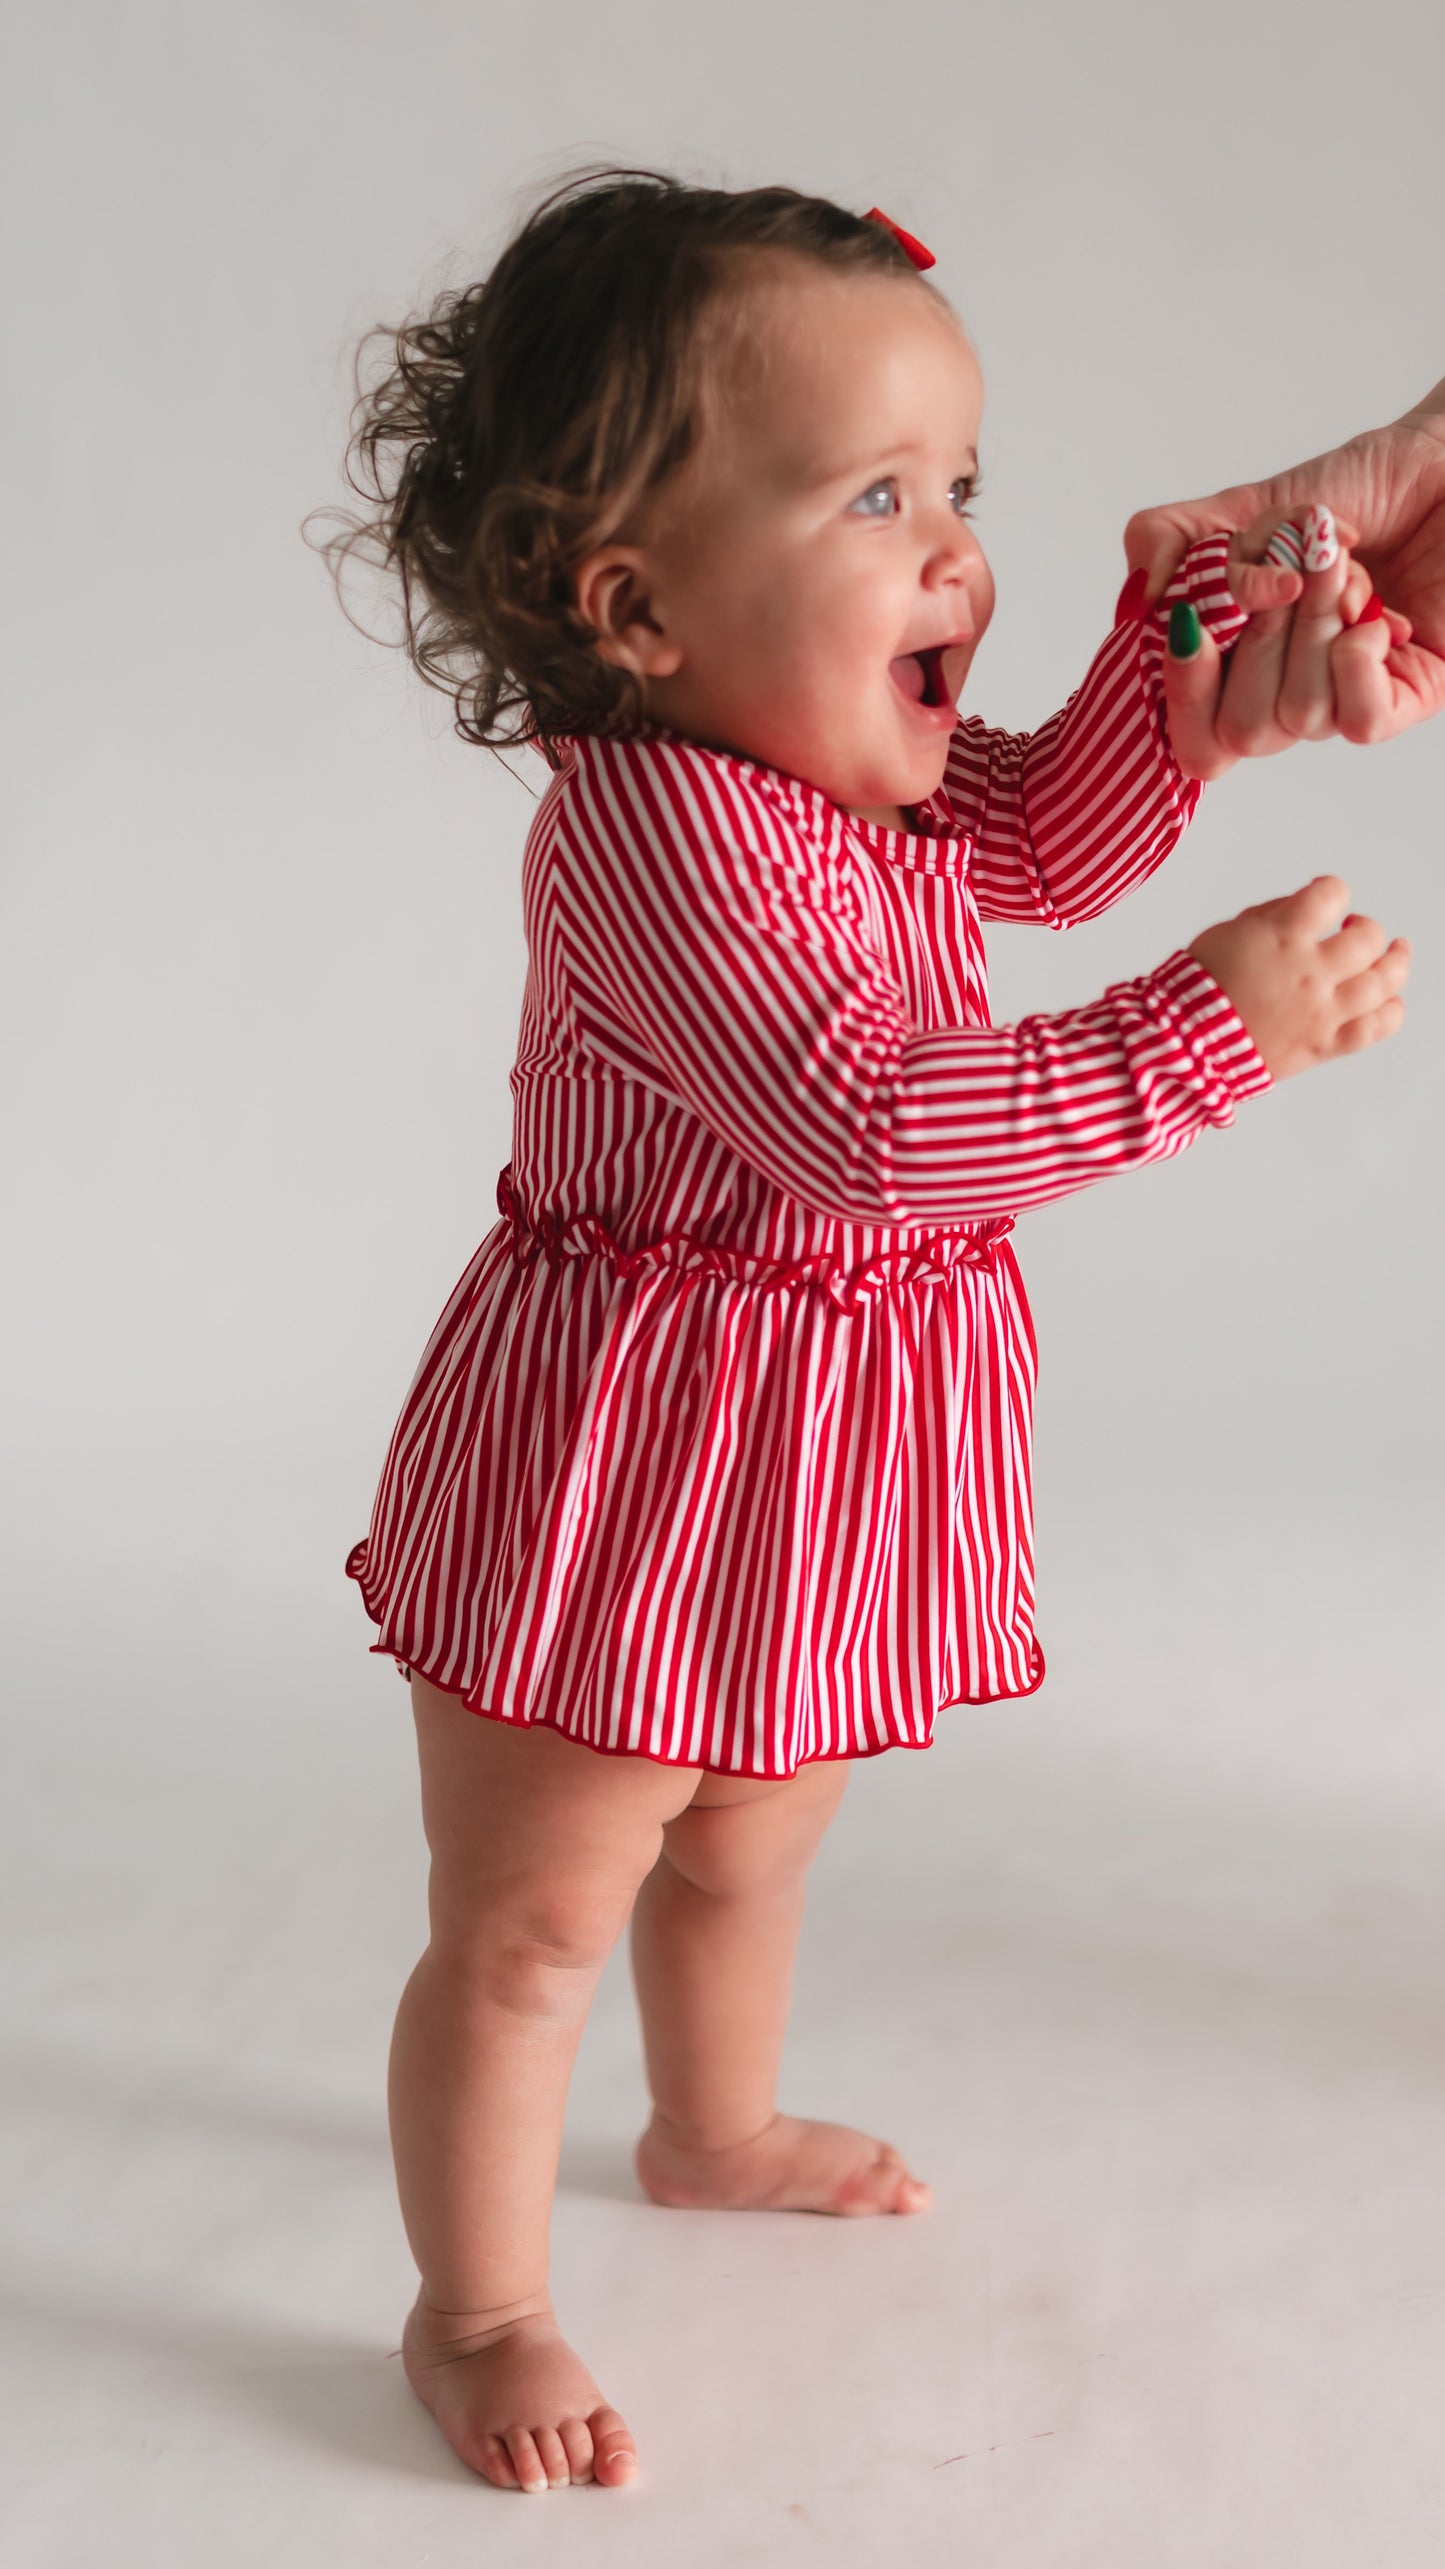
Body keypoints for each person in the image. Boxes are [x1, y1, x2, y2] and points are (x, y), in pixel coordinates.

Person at [315, 171, 1417, 2498]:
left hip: (821, 1445)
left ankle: (708, 2130)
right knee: (532, 1915)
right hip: (631, 1447)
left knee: (751, 1842)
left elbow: (1041, 831)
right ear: (634, 606)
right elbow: (874, 1128)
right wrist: (1205, 1032)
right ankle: (478, 2298)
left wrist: (1180, 663)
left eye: (968, 492)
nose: (955, 554)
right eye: (880, 499)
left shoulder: (850, 769)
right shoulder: (649, 830)